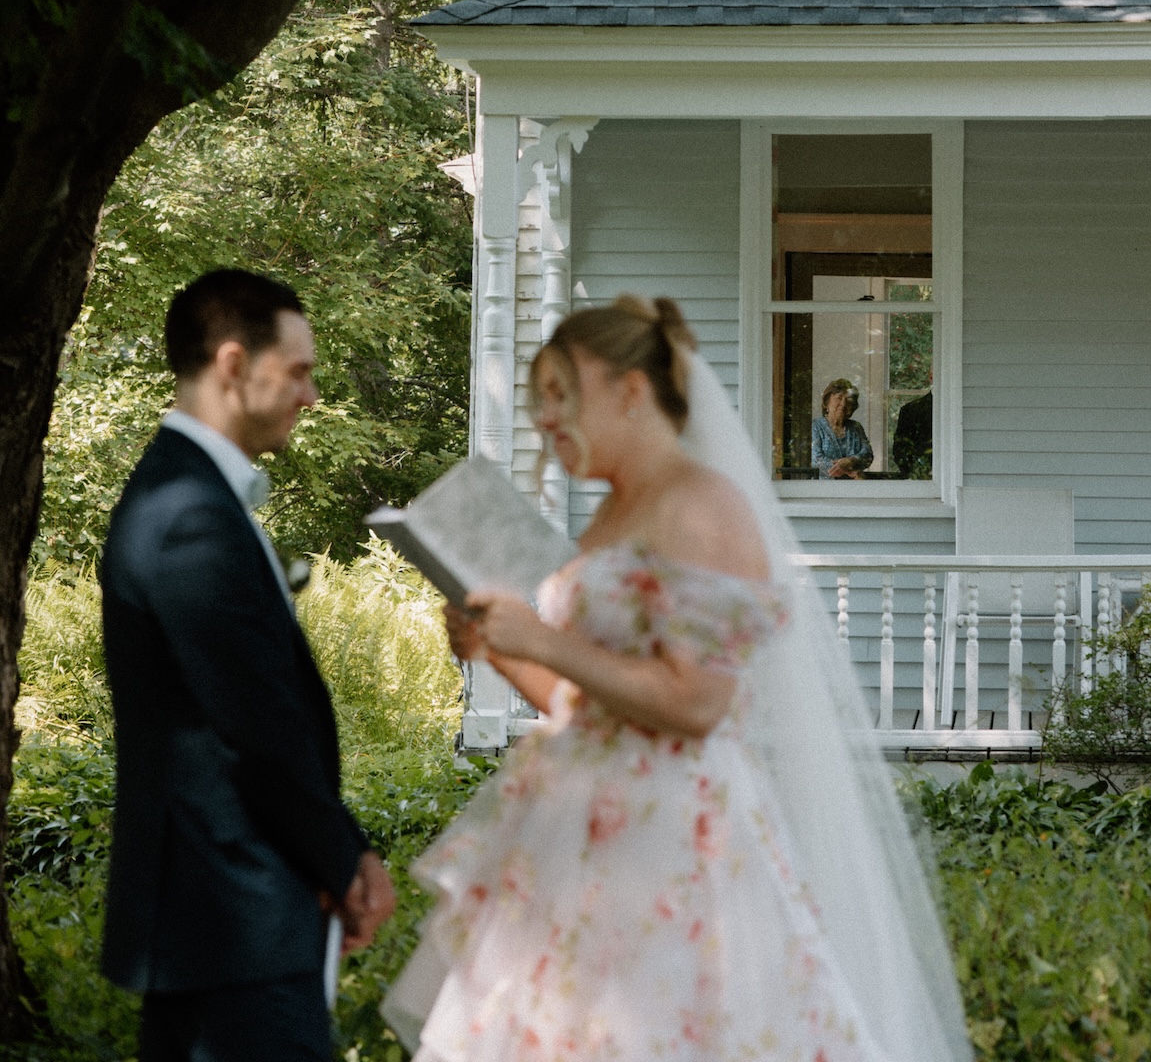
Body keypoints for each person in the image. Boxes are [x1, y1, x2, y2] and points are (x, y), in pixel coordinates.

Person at [384, 295, 970, 1062]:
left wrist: (547, 643)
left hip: (669, 840)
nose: (546, 421)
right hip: (576, 829)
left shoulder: (702, 505)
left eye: (563, 395)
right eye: (538, 403)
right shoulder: (608, 516)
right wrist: (499, 647)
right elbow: (582, 704)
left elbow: (697, 703)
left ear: (630, 390)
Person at [100, 268, 396, 1062]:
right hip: (231, 914)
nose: (309, 396)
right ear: (233, 364)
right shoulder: (190, 517)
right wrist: (345, 855)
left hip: (220, 920)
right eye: (297, 372)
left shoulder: (191, 498)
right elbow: (257, 725)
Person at [812, 377, 874, 478]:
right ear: (827, 401)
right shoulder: (815, 426)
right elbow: (816, 459)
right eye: (839, 398)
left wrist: (850, 461)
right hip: (823, 488)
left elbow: (867, 455)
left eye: (848, 400)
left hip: (853, 488)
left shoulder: (856, 427)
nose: (843, 404)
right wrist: (847, 470)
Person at [892, 385, 933, 479]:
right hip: (920, 483)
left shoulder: (959, 409)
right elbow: (901, 451)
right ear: (931, 376)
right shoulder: (911, 411)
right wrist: (919, 473)